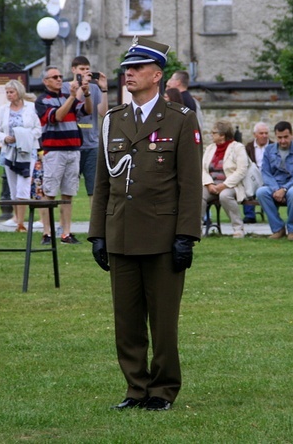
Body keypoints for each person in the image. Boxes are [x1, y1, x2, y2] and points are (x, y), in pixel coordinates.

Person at [88, 37, 202, 411]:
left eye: (136, 68)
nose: (128, 74)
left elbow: (189, 184)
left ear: (157, 75)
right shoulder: (113, 119)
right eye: (126, 69)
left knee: (164, 324)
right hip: (121, 234)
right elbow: (104, 182)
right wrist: (97, 234)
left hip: (162, 237)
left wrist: (186, 235)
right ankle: (135, 388)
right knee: (127, 322)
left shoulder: (180, 119)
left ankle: (163, 390)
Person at [35, 65, 90, 244]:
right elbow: (57, 116)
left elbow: (87, 111)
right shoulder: (42, 100)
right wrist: (73, 96)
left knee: (68, 193)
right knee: (49, 191)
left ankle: (66, 232)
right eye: (54, 77)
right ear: (45, 81)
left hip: (73, 150)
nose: (59, 79)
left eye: (60, 76)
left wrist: (86, 93)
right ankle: (47, 232)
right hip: (54, 151)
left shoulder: (68, 98)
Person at [0, 79, 42, 233]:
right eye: (7, 92)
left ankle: (21, 223)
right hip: (9, 151)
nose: (9, 95)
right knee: (13, 188)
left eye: (11, 92)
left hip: (26, 152)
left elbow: (37, 130)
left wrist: (23, 136)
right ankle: (17, 220)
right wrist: (4, 138)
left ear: (18, 92)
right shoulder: (3, 109)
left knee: (23, 186)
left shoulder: (31, 108)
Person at [63, 56, 109, 207]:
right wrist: (81, 89)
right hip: (72, 144)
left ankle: (94, 226)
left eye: (87, 70)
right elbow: (72, 110)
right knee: (68, 189)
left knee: (94, 188)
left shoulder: (94, 88)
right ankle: (64, 227)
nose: (85, 72)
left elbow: (103, 112)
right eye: (81, 69)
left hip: (92, 144)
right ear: (73, 70)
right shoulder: (64, 88)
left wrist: (104, 89)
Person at [255, 121, 293, 241]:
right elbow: (266, 172)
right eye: (279, 138)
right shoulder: (269, 150)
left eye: (286, 137)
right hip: (275, 184)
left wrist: (284, 189)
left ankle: (292, 230)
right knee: (261, 192)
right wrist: (276, 189)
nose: (283, 141)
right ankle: (278, 228)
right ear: (275, 136)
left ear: (291, 135)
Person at [202, 119, 248, 238]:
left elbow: (242, 170)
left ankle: (238, 228)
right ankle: (196, 229)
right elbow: (203, 169)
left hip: (231, 185)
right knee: (198, 194)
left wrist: (224, 185)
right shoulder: (210, 148)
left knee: (225, 196)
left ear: (222, 135)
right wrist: (209, 184)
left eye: (214, 133)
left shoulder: (237, 148)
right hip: (211, 184)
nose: (211, 135)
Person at [243, 122, 272, 223]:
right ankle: (250, 215)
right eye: (261, 133)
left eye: (266, 133)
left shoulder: (273, 146)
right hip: (253, 177)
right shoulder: (248, 147)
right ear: (255, 135)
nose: (264, 136)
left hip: (269, 176)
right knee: (248, 183)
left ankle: (272, 215)